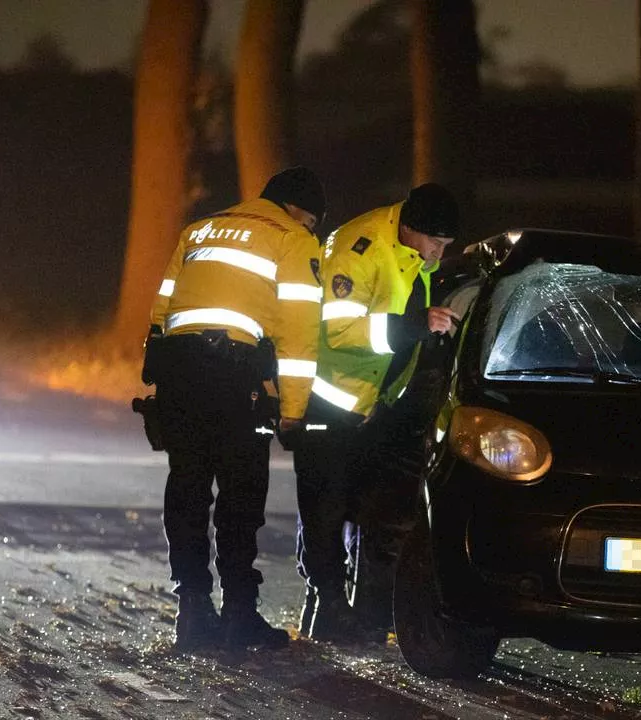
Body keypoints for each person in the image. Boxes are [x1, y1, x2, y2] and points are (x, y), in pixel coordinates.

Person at [143, 166, 326, 651]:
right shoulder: (292, 238)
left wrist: (161, 381)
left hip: (179, 374)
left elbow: (161, 311)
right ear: (297, 211)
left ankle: (193, 612)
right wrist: (293, 410)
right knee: (241, 496)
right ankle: (239, 615)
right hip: (234, 378)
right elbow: (299, 334)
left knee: (186, 488)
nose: (312, 230)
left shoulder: (198, 229)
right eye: (312, 221)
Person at [292, 182, 461, 643]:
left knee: (359, 504)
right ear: (409, 227)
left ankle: (344, 611)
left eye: (446, 247)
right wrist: (413, 327)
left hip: (372, 405)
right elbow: (341, 330)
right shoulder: (359, 248)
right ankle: (326, 606)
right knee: (325, 506)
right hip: (331, 398)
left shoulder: (410, 251)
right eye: (435, 244)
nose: (438, 256)